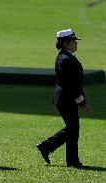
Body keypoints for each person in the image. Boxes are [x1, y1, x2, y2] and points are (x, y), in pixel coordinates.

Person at [36, 29, 90, 168]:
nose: (76, 44)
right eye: (73, 41)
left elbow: (76, 83)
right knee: (73, 128)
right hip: (66, 99)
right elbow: (71, 86)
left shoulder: (67, 56)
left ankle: (47, 147)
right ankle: (70, 160)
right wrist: (82, 102)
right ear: (66, 43)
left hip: (67, 98)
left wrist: (82, 100)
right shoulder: (65, 59)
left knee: (72, 128)